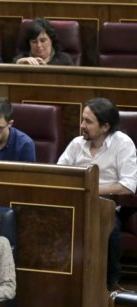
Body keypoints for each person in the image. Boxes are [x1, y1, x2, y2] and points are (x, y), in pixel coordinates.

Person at [58, 97, 137, 290]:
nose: (82, 125)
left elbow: (128, 186)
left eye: (88, 121)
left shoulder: (123, 144)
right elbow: (59, 174)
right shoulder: (77, 144)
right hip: (75, 203)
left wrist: (92, 189)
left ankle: (111, 285)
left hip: (107, 204)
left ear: (105, 127)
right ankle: (65, 282)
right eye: (83, 119)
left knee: (110, 230)